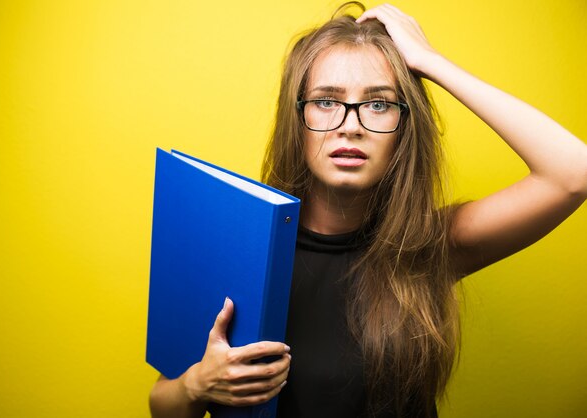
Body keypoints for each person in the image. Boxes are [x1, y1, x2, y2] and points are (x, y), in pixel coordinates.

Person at [149, 3, 587, 417]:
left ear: (404, 126)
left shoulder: (429, 246)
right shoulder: (240, 244)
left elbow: (574, 172)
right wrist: (195, 385)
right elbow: (163, 405)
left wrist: (431, 62)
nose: (351, 125)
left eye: (378, 103)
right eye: (326, 101)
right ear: (295, 119)